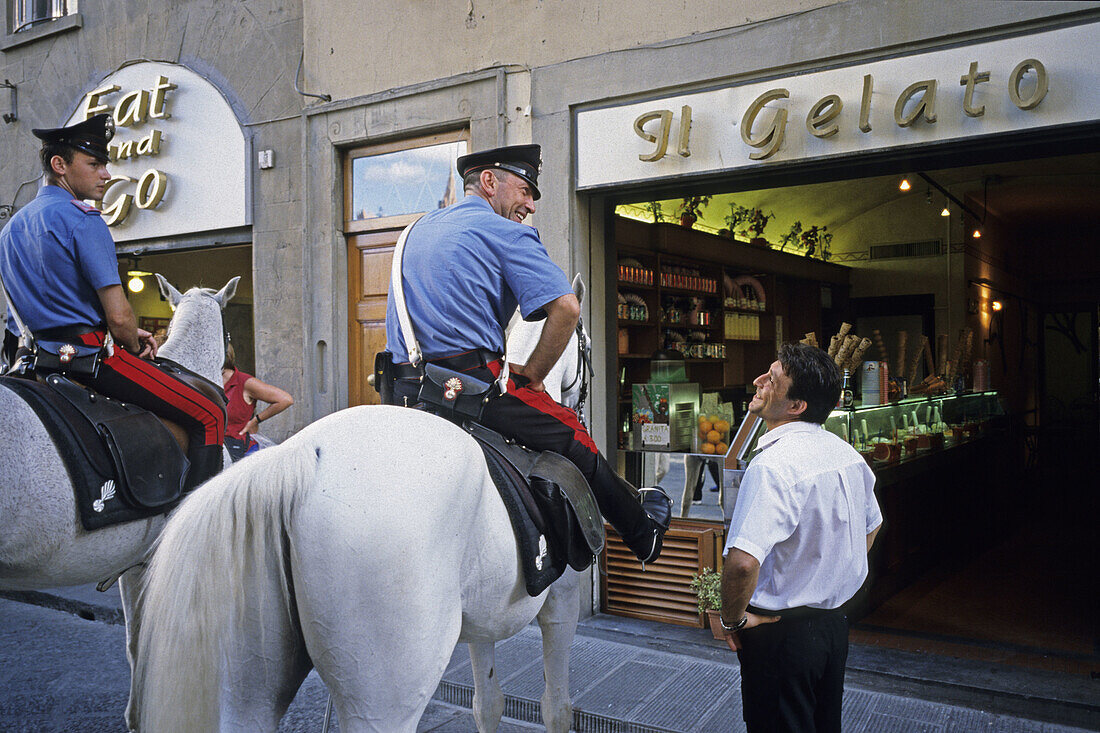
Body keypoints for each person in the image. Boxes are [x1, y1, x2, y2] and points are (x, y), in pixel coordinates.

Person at [384, 144, 672, 563]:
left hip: (405, 392)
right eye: (525, 191)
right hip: (471, 391)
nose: (531, 206)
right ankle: (642, 535)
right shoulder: (504, 232)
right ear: (488, 182)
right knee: (575, 437)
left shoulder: (414, 231)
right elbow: (566, 308)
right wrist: (535, 373)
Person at [0, 114, 226, 489]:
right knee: (209, 415)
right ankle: (198, 530)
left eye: (105, 164)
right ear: (60, 165)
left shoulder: (9, 230)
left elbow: (22, 316)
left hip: (32, 360)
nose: (106, 174)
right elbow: (119, 318)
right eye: (94, 164)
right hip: (89, 358)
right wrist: (133, 341)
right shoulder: (84, 219)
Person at [719, 343, 882, 733]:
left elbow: (742, 563)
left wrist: (731, 621)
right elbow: (871, 526)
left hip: (779, 633)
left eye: (772, 381)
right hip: (832, 628)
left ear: (797, 406)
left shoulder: (772, 465)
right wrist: (830, 574)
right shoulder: (845, 453)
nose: (759, 382)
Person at [221, 342, 293, 461]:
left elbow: (285, 399)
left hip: (235, 447)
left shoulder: (243, 381)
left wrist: (255, 421)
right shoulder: (205, 380)